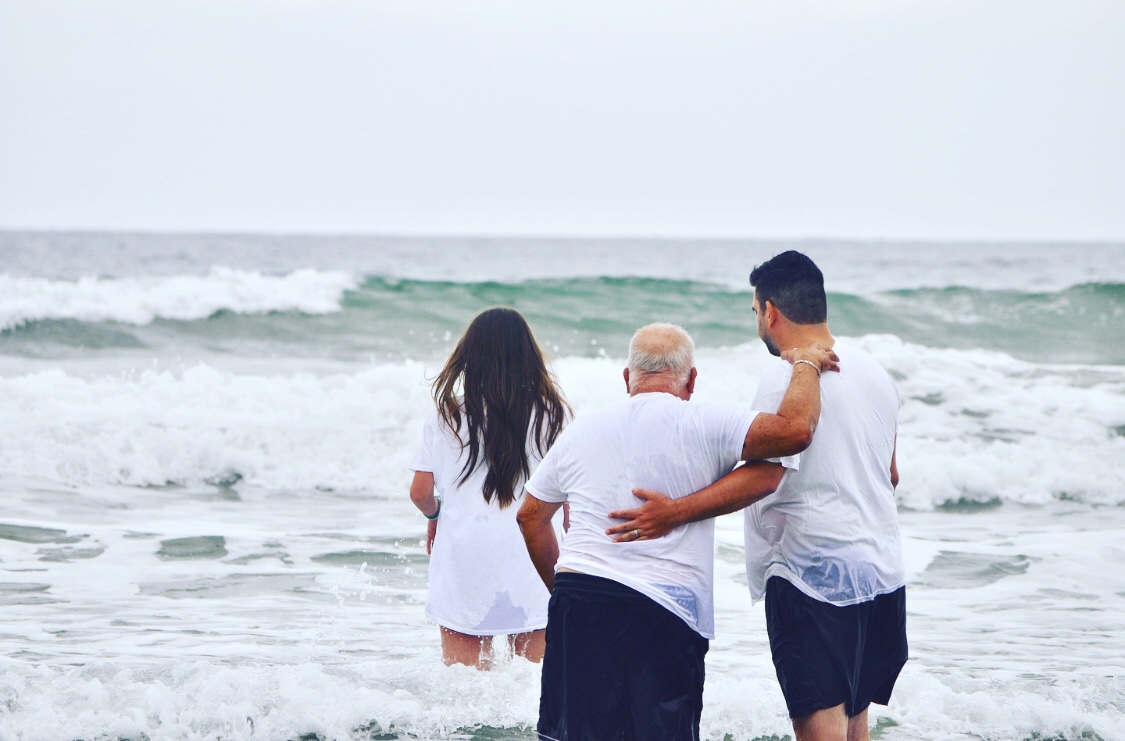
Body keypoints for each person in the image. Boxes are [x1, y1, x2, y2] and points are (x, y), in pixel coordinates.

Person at [608, 251, 907, 741]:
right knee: (856, 725)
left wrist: (675, 512)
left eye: (754, 312)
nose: (757, 323)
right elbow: (890, 474)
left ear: (770, 311)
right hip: (880, 576)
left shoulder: (786, 377)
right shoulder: (875, 373)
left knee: (822, 730)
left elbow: (765, 476)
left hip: (811, 576)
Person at [517, 322, 838, 740]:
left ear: (628, 378)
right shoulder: (705, 420)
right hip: (665, 607)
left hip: (581, 598)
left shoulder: (581, 431)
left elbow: (530, 517)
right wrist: (807, 364)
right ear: (691, 380)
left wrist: (564, 590)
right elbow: (795, 431)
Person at [408, 307, 571, 669]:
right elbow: (571, 501)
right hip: (533, 555)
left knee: (464, 686)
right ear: (529, 356)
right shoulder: (554, 415)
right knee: (534, 681)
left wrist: (435, 515)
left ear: (470, 357)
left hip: (467, 557)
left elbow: (419, 493)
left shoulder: (446, 416)